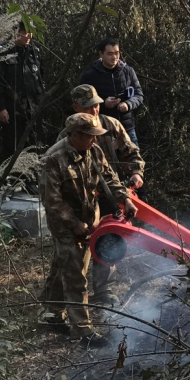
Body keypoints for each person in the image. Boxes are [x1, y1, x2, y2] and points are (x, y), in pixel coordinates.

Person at [41, 113, 137, 348]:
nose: (94, 140)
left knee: (66, 264)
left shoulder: (94, 150)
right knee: (75, 275)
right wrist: (74, 224)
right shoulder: (53, 159)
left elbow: (108, 178)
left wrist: (125, 198)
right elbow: (52, 201)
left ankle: (52, 313)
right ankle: (83, 331)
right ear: (74, 135)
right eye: (89, 136)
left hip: (89, 217)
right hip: (64, 222)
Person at [52, 84, 145, 306]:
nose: (94, 110)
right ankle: (69, 296)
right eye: (88, 107)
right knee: (77, 248)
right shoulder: (68, 137)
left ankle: (103, 290)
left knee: (108, 242)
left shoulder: (111, 125)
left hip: (111, 194)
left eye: (96, 105)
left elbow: (131, 152)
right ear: (76, 107)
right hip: (81, 200)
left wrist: (136, 173)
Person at [0, 22, 45, 160]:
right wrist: (0, 108)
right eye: (25, 32)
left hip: (33, 107)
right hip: (12, 109)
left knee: (35, 146)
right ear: (16, 31)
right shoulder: (3, 52)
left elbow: (40, 78)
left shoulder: (34, 52)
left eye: (31, 32)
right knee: (12, 148)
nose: (29, 36)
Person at [79, 38, 143, 145]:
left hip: (127, 127)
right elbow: (82, 103)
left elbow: (139, 95)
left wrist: (128, 105)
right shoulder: (89, 76)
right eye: (110, 54)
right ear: (101, 54)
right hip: (101, 128)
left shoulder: (128, 71)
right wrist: (104, 104)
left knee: (134, 155)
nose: (114, 57)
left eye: (117, 53)